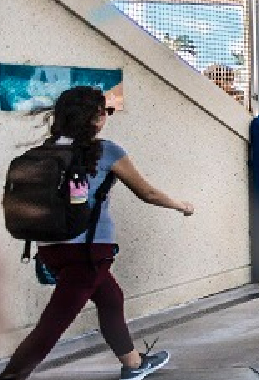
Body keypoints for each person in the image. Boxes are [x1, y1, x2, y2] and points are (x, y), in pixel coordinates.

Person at [1, 87, 194, 380]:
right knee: (54, 323)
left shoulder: (43, 152)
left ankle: (133, 364)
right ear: (97, 118)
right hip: (89, 252)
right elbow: (148, 193)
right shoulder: (107, 151)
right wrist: (181, 205)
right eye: (105, 111)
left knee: (111, 298)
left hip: (50, 248)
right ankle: (13, 375)